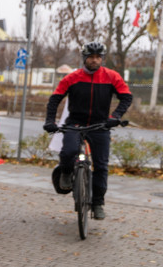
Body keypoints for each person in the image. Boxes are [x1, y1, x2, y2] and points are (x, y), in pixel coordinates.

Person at [43, 41, 132, 219]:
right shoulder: (72, 78)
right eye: (91, 57)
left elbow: (126, 97)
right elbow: (54, 99)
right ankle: (66, 172)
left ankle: (97, 203)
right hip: (75, 124)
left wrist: (115, 116)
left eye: (98, 57)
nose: (94, 60)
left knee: (101, 165)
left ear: (102, 59)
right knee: (68, 152)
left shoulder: (111, 76)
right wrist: (50, 121)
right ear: (84, 58)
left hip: (100, 126)